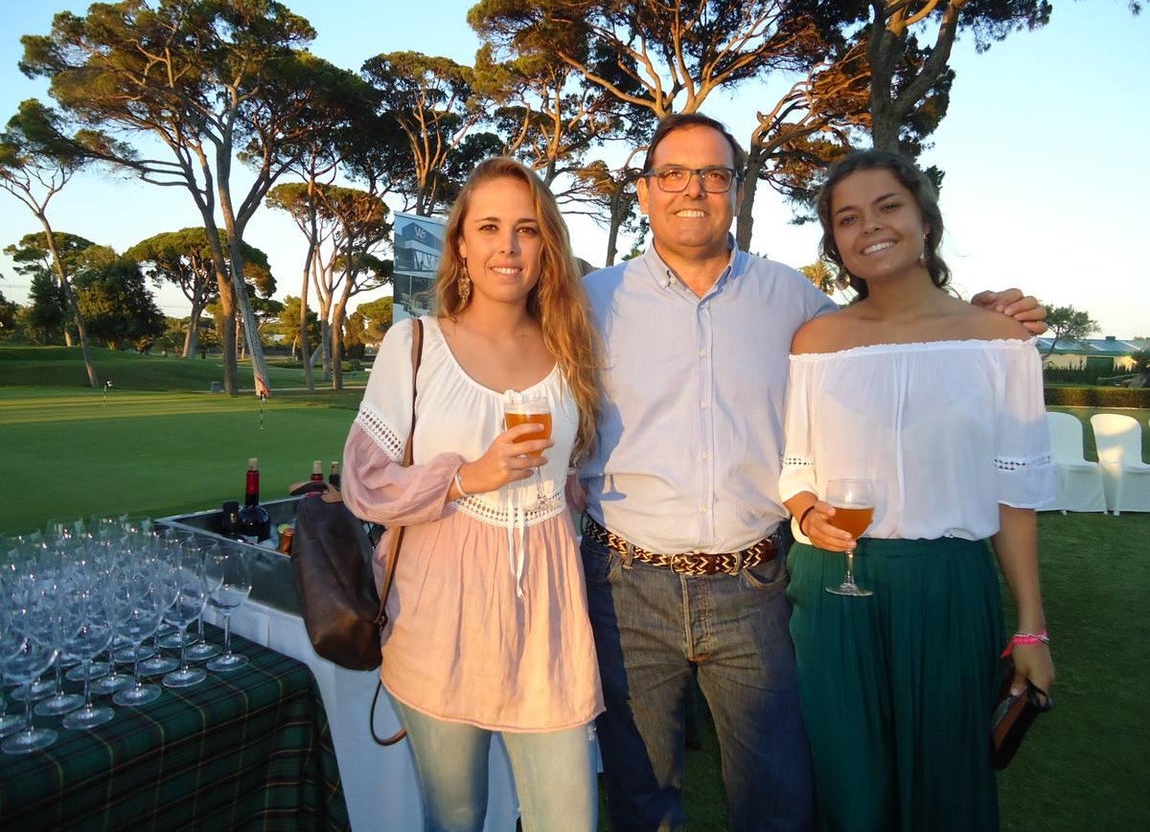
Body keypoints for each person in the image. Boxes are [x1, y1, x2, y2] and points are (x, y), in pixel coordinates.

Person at [575, 112, 1048, 832]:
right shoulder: (589, 303)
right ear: (644, 191)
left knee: (779, 801)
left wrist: (981, 312)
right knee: (644, 795)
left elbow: (894, 326)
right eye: (672, 173)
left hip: (755, 586)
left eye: (713, 174)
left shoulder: (795, 302)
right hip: (624, 586)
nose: (692, 189)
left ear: (737, 189)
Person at [778, 148, 1056, 831]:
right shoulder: (815, 340)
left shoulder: (1000, 340)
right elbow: (795, 466)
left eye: (887, 206)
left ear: (925, 220)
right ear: (836, 243)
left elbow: (1012, 498)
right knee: (848, 789)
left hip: (948, 588)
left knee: (946, 790)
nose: (869, 226)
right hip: (831, 588)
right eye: (848, 218)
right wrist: (806, 510)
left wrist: (1031, 625)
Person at [341, 157, 603, 832]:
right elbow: (364, 483)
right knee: (456, 819)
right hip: (439, 614)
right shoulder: (416, 343)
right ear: (460, 243)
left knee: (567, 817)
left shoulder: (569, 347)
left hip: (546, 615)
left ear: (547, 245)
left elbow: (572, 471)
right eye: (489, 227)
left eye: (526, 229)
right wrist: (466, 476)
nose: (508, 247)